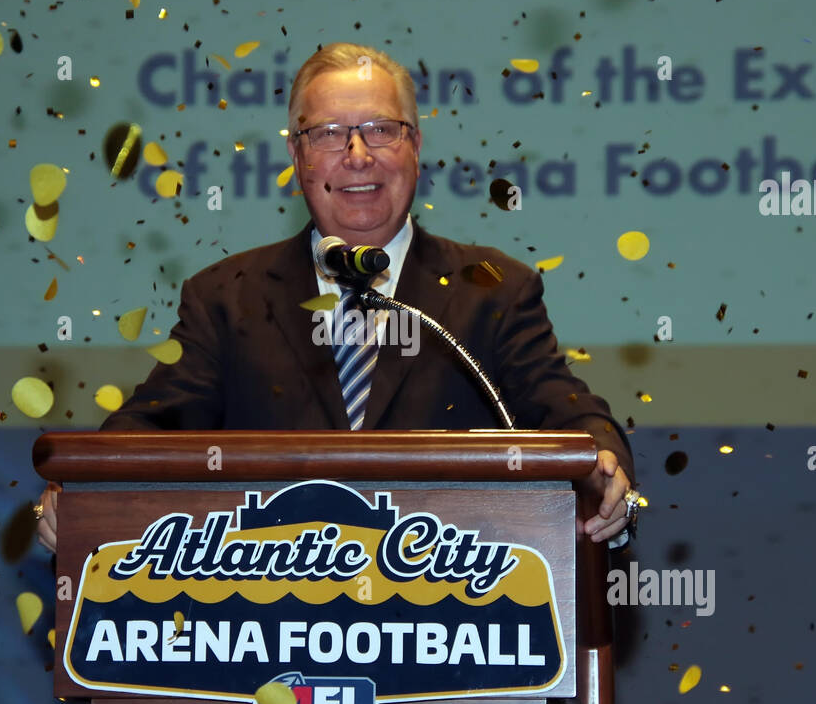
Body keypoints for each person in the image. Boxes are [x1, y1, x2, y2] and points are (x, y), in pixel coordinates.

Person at [36, 42, 640, 556]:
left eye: (381, 129)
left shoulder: (493, 288)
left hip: (449, 625)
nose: (357, 154)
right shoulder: (226, 299)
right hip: (270, 627)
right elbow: (147, 428)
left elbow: (572, 416)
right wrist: (80, 490)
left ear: (415, 147)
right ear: (297, 156)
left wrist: (605, 467)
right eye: (328, 134)